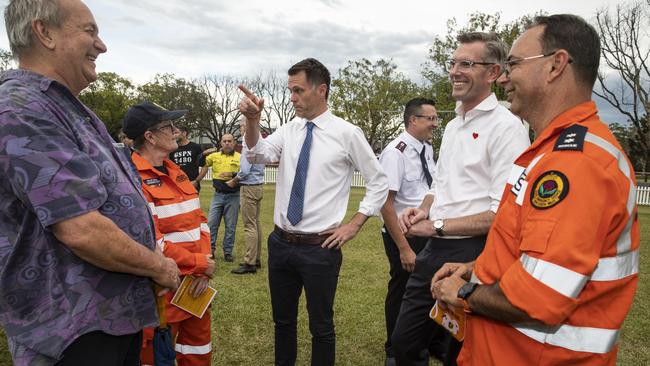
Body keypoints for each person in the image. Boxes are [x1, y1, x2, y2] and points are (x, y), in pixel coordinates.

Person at [431, 14, 640, 365]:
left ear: (556, 65)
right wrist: (476, 267)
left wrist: (464, 291)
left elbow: (540, 298)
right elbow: (528, 250)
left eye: (513, 64)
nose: (505, 78)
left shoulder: (576, 163)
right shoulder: (547, 152)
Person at [0, 1, 180, 365]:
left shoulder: (61, 106)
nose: (102, 45)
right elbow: (80, 229)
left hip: (106, 320)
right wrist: (157, 267)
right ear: (44, 33)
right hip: (71, 332)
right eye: (90, 31)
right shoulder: (21, 107)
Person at [238, 58, 388, 366]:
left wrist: (355, 224)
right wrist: (254, 122)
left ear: (321, 90)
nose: (292, 97)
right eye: (290, 90)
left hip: (320, 248)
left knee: (321, 327)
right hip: (280, 244)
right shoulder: (289, 130)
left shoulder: (347, 133)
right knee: (283, 323)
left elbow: (379, 181)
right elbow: (257, 155)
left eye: (298, 90)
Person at [392, 32, 530, 366]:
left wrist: (435, 226)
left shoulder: (508, 129)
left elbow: (502, 213)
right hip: (435, 248)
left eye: (466, 63)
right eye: (453, 62)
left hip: (474, 252)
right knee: (404, 342)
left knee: (461, 350)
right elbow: (440, 182)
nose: (455, 70)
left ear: (493, 73)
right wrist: (422, 209)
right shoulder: (453, 125)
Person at [122, 101, 215, 366]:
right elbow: (153, 241)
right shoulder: (132, 180)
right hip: (163, 291)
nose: (177, 130)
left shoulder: (176, 171)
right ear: (149, 137)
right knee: (157, 357)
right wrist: (201, 264)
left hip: (196, 285)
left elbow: (200, 222)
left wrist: (203, 267)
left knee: (198, 353)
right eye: (168, 126)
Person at [378, 97, 437, 365]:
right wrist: (403, 248)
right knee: (401, 290)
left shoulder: (426, 149)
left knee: (423, 290)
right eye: (431, 119)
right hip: (403, 236)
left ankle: (423, 341)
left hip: (425, 233)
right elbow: (386, 204)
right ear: (413, 120)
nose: (435, 124)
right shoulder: (395, 152)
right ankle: (394, 349)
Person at [196, 134, 241, 261]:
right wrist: (204, 153)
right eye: (225, 141)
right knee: (211, 224)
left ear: (234, 143)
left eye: (229, 141)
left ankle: (228, 252)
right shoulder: (214, 156)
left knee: (230, 226)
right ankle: (210, 250)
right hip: (218, 195)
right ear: (221, 143)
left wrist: (232, 174)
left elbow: (246, 174)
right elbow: (200, 163)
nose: (227, 143)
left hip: (234, 196)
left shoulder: (240, 158)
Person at [231, 121, 266, 274]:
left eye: (241, 126)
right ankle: (256, 258)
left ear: (247, 126)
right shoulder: (260, 142)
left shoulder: (247, 142)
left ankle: (249, 262)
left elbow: (245, 170)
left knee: (249, 225)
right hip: (258, 185)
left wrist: (233, 181)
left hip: (249, 186)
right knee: (256, 223)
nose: (240, 129)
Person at [169, 125, 206, 191]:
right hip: (177, 185)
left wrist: (196, 181)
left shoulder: (195, 147)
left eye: (176, 133)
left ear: (184, 133)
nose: (174, 135)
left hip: (192, 184)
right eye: (173, 133)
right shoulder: (172, 149)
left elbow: (205, 166)